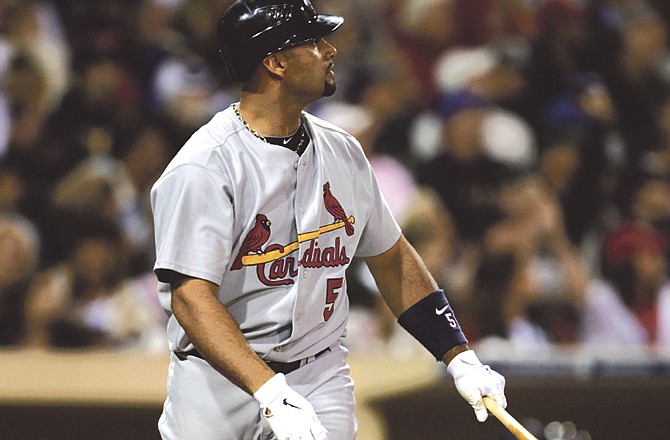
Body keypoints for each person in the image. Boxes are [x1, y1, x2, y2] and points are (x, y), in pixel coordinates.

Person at [150, 1, 507, 439]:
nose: (330, 49)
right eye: (313, 41)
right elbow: (191, 298)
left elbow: (391, 258)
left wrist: (458, 355)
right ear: (276, 62)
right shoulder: (205, 167)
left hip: (319, 372)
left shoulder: (344, 152)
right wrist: (268, 391)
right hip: (219, 382)